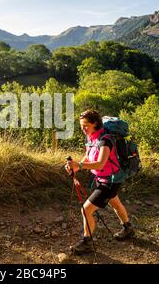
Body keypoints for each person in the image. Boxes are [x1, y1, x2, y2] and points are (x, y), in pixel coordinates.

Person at [65, 109, 135, 255]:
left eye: (86, 125)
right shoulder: (91, 138)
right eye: (81, 125)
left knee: (86, 210)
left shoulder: (105, 140)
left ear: (95, 123)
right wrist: (76, 167)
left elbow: (100, 164)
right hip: (103, 179)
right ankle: (128, 228)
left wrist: (79, 165)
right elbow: (88, 157)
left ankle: (87, 242)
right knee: (115, 202)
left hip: (110, 181)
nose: (83, 129)